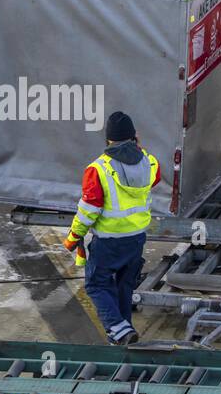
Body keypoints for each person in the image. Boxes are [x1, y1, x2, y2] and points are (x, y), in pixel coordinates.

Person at [64, 111, 161, 345]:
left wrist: (74, 236)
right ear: (133, 137)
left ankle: (117, 329)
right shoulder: (149, 161)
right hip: (136, 238)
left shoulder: (98, 169)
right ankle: (123, 332)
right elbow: (155, 179)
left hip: (109, 240)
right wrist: (138, 149)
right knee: (123, 287)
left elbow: (89, 210)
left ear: (108, 139)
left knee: (97, 285)